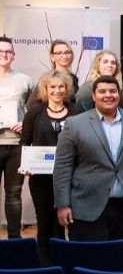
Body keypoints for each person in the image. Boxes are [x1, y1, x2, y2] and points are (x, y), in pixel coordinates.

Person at [53, 75, 123, 241]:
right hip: (87, 206)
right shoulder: (75, 124)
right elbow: (62, 167)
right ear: (93, 96)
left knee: (119, 262)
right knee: (89, 262)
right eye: (102, 91)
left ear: (119, 94)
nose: (108, 95)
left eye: (113, 91)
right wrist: (62, 204)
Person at [20, 70, 79, 261]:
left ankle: (66, 266)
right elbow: (25, 142)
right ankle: (46, 267)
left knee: (66, 224)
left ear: (67, 88)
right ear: (45, 89)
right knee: (45, 224)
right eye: (52, 87)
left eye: (61, 86)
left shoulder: (76, 112)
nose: (57, 90)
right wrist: (25, 164)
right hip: (41, 179)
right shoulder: (34, 113)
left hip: (71, 179)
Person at [0, 36, 34, 239]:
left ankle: (14, 239)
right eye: (0, 51)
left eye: (8, 51)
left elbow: (33, 110)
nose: (4, 54)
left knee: (13, 194)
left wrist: (25, 123)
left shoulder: (25, 79)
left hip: (16, 143)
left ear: (13, 54)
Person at [27, 40, 79, 108]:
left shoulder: (73, 78)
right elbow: (31, 105)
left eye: (67, 52)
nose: (64, 56)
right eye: (59, 53)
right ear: (52, 57)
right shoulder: (49, 78)